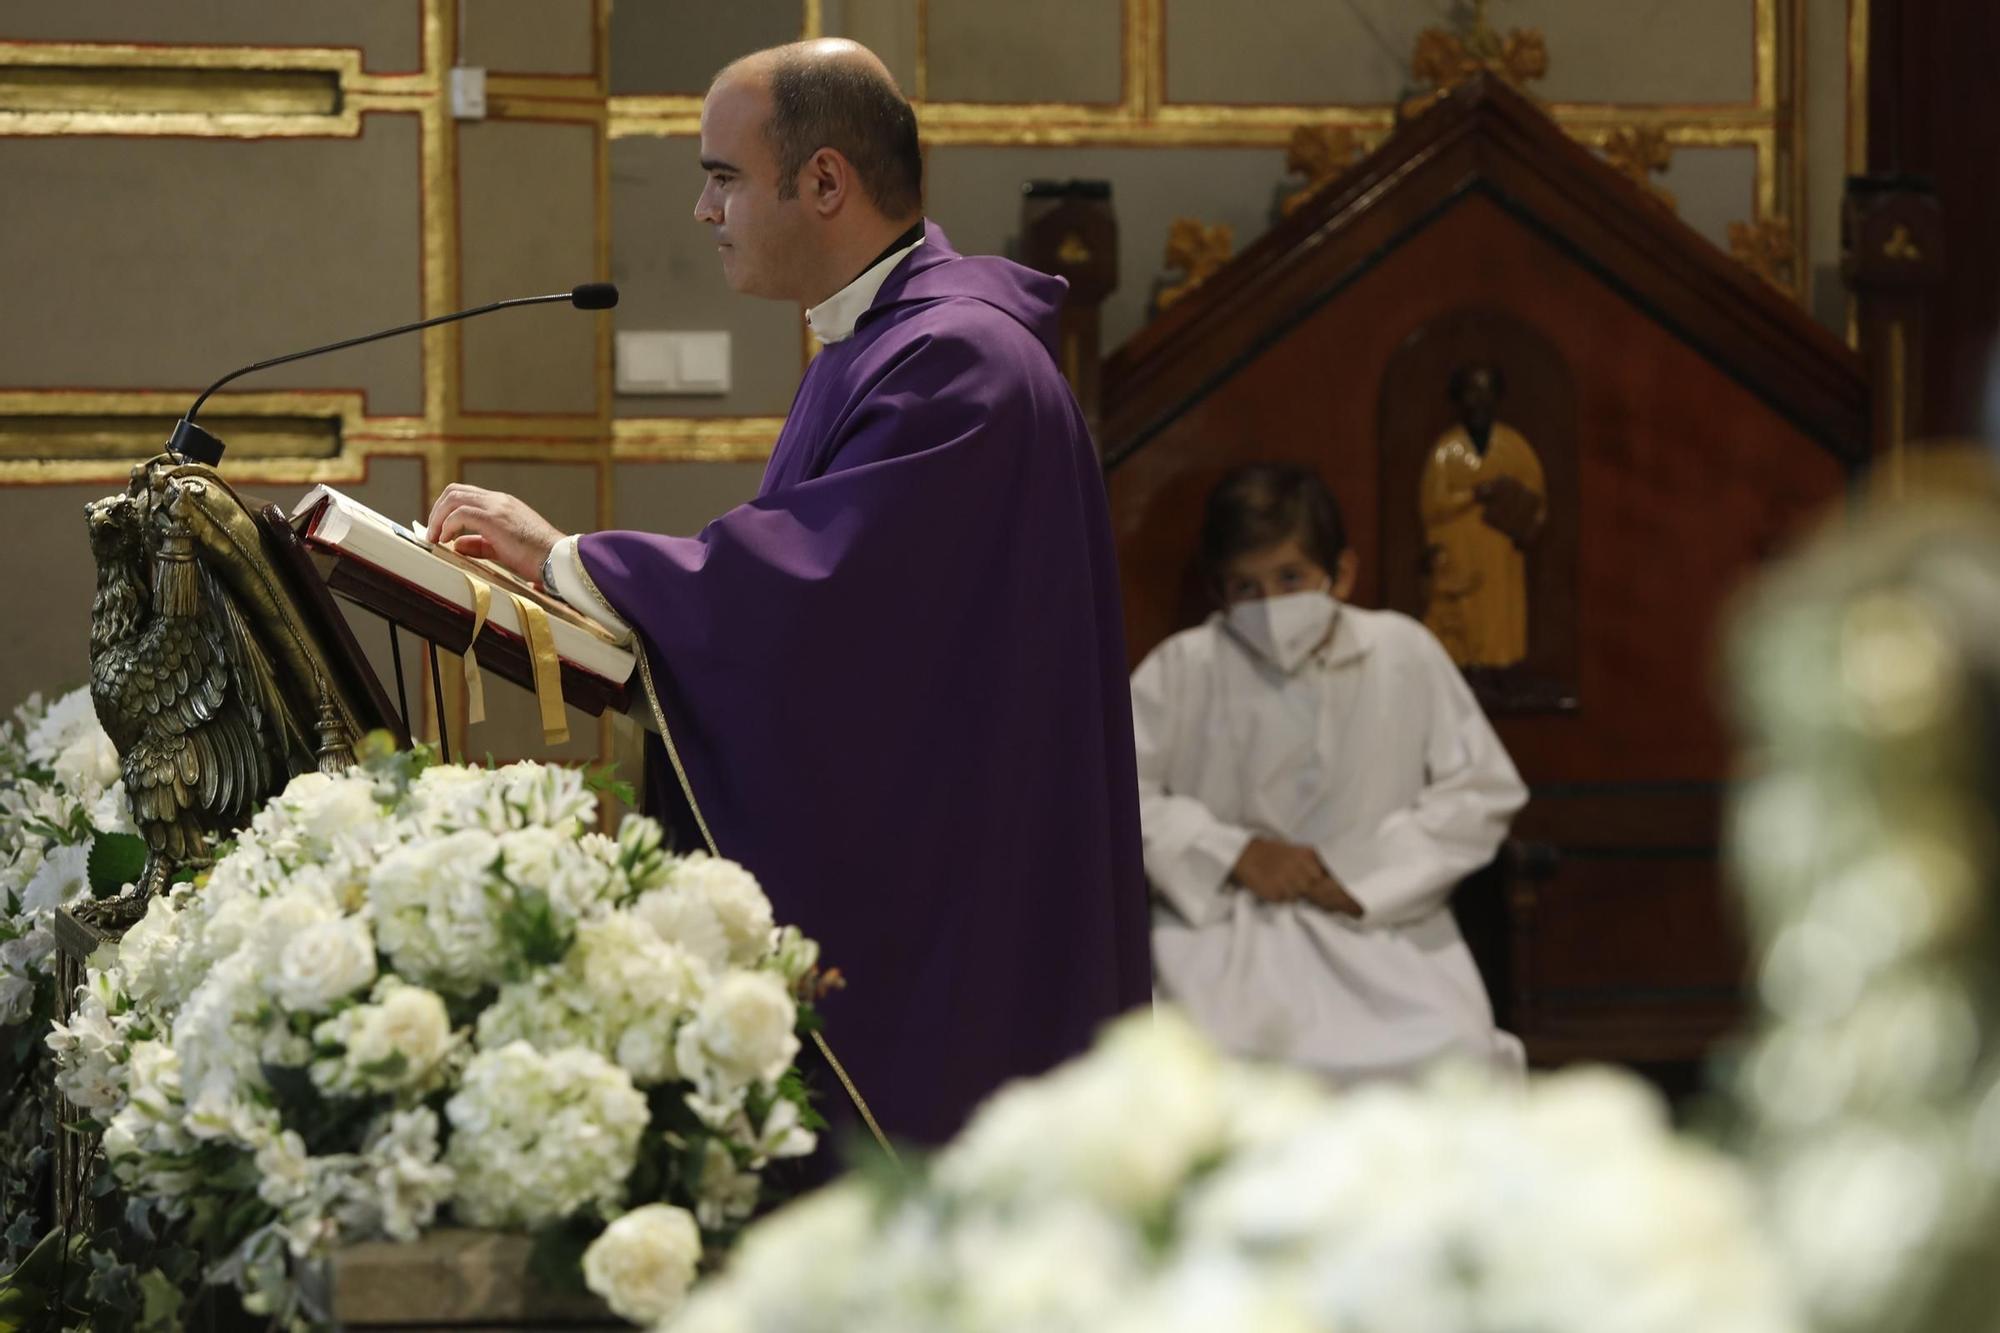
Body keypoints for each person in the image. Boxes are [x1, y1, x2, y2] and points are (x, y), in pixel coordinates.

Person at [423, 39, 1151, 1151]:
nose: (703, 210)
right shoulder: (880, 345)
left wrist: (567, 558)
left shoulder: (958, 365)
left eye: (721, 175)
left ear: (822, 183)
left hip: (951, 904)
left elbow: (817, 606)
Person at [1130, 463, 1526, 1081]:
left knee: (1455, 1053)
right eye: (1246, 588)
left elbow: (1481, 788)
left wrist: (1368, 874)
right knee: (1212, 1063)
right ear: (1219, 592)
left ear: (1340, 574)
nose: (1271, 607)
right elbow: (1120, 795)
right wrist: (1232, 852)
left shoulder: (1402, 651)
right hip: (1229, 925)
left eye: (1291, 578)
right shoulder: (1186, 665)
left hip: (1382, 924)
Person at [1419, 365, 1547, 668]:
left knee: (1499, 616)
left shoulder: (1513, 446)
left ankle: (1499, 671)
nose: (1478, 400)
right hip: (1460, 552)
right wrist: (1474, 494)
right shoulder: (1446, 451)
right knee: (1463, 618)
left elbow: (1536, 496)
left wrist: (1523, 520)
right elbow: (1431, 504)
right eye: (1471, 392)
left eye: (1486, 391)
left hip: (1501, 553)